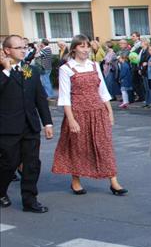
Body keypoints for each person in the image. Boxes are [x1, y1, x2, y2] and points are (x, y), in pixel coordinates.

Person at [52, 35, 127, 196]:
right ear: (74, 49)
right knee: (78, 147)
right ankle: (76, 180)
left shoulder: (94, 65)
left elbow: (102, 90)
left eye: (87, 46)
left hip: (98, 111)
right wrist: (71, 119)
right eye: (81, 46)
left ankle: (113, 181)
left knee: (104, 145)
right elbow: (65, 97)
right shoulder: (66, 69)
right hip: (78, 113)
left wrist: (110, 112)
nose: (86, 49)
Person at [0, 35, 53, 213]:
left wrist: (48, 123)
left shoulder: (32, 70)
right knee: (9, 163)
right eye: (18, 48)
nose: (23, 50)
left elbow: (40, 98)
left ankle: (30, 201)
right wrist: (6, 71)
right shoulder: (2, 71)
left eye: (25, 47)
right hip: (8, 127)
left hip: (30, 125)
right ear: (7, 50)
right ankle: (1, 191)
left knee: (32, 164)